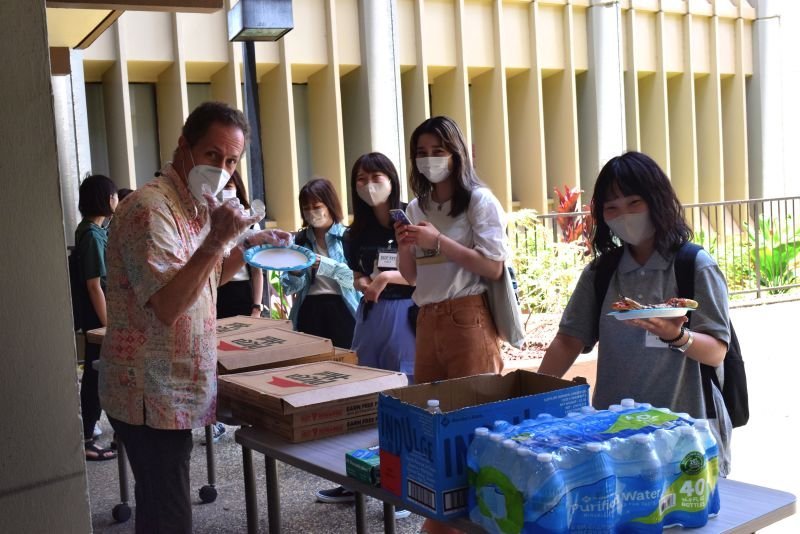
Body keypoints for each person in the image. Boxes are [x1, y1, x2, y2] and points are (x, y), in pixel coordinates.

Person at [98, 101, 291, 534]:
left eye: (231, 161)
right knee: (169, 517)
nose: (221, 169)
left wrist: (247, 246)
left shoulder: (193, 207)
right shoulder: (153, 209)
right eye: (212, 155)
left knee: (161, 507)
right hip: (150, 394)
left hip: (175, 390)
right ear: (184, 147)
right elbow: (168, 305)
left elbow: (206, 279)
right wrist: (217, 240)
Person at [537, 151, 730, 419]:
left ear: (657, 201)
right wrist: (530, 396)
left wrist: (676, 335)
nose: (624, 214)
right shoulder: (600, 272)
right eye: (611, 207)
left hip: (687, 430)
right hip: (615, 429)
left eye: (634, 202)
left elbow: (717, 352)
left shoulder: (694, 265)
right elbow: (569, 340)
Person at [314, 154, 414, 521]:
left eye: (376, 175)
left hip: (407, 317)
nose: (369, 183)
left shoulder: (411, 217)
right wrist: (363, 282)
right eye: (360, 178)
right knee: (366, 399)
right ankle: (355, 480)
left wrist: (387, 280)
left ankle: (402, 487)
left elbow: (426, 274)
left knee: (404, 399)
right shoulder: (356, 232)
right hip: (370, 317)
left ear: (391, 178)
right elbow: (358, 273)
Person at [396, 116, 508, 386]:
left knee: (473, 407)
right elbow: (412, 277)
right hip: (425, 318)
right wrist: (403, 245)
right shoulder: (415, 208)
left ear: (456, 155)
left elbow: (494, 267)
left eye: (438, 151)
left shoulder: (479, 200)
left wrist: (438, 241)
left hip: (467, 315)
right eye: (421, 153)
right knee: (431, 410)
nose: (429, 159)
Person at [280, 178, 359, 348]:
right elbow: (289, 288)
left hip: (343, 308)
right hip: (309, 308)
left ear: (330, 205)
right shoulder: (298, 241)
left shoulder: (349, 238)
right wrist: (295, 272)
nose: (311, 212)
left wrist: (324, 264)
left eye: (317, 207)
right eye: (306, 208)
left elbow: (356, 280)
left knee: (345, 361)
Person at [75, 174, 119, 461]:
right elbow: (94, 284)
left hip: (98, 312)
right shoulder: (91, 234)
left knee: (96, 375)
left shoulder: (93, 230)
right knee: (95, 376)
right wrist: (107, 326)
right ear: (105, 198)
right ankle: (87, 437)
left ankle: (91, 433)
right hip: (97, 315)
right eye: (114, 194)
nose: (117, 199)